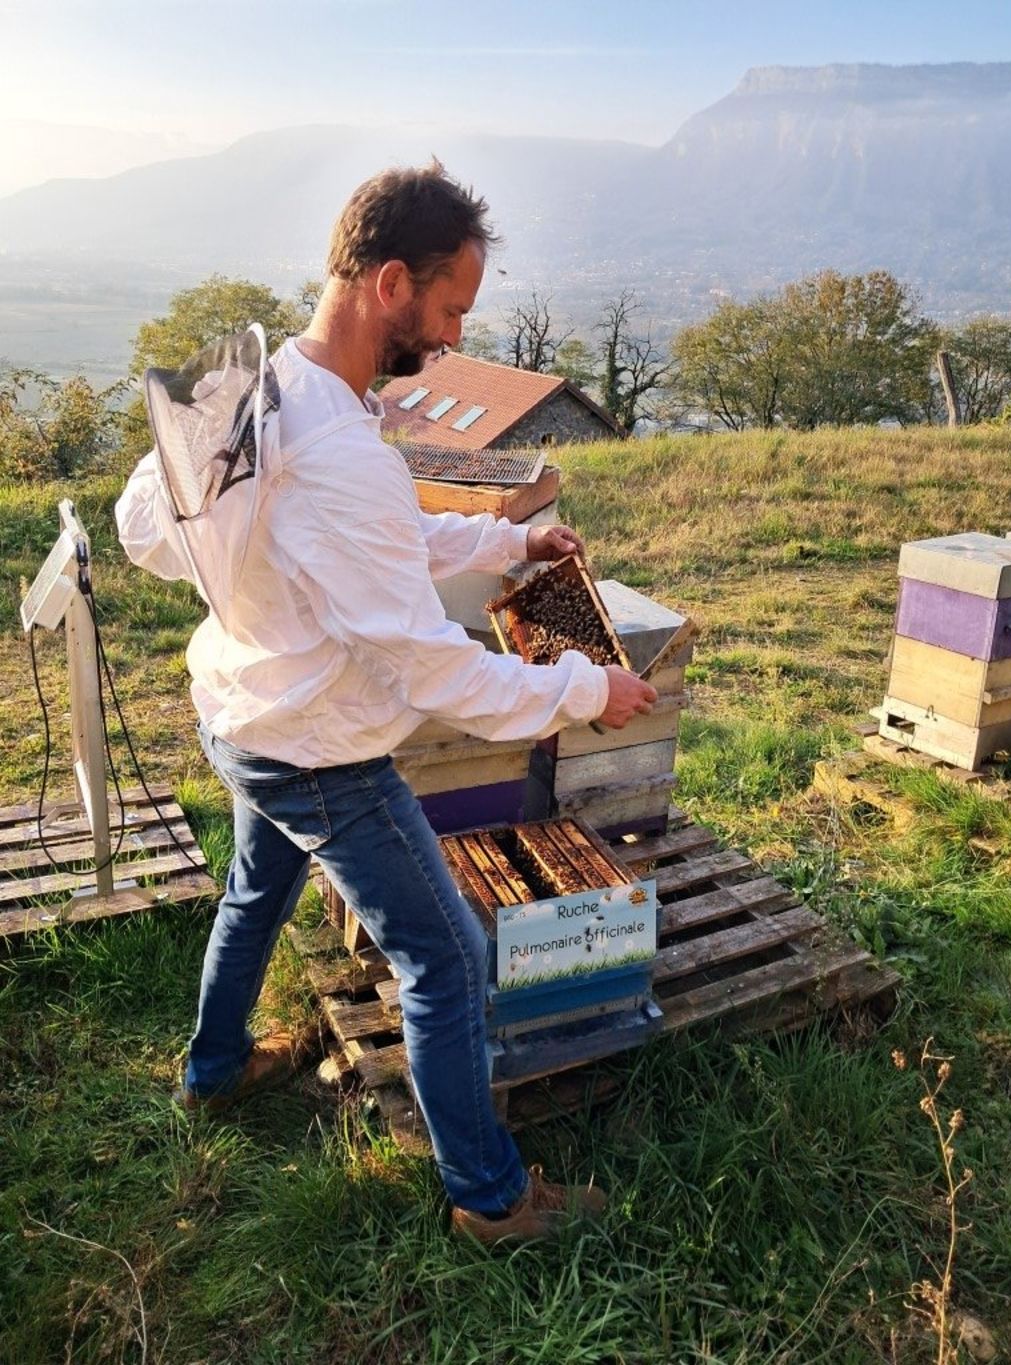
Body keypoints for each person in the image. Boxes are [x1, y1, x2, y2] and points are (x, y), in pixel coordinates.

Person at [115, 161, 657, 1244]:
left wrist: (509, 538)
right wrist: (588, 684)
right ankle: (490, 1199)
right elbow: (429, 666)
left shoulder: (273, 388)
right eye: (450, 307)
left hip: (240, 711)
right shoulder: (327, 440)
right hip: (317, 749)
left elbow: (171, 527)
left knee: (255, 892)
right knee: (447, 958)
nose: (453, 336)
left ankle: (214, 1071)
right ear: (391, 282)